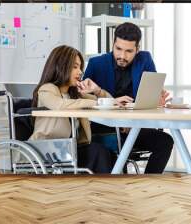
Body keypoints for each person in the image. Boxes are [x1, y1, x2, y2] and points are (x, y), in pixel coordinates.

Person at [79, 22, 174, 174]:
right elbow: (83, 101)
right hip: (106, 129)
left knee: (165, 141)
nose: (122, 56)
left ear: (137, 49)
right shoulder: (96, 64)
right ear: (113, 43)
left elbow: (150, 98)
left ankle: (148, 184)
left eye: (129, 51)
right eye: (118, 49)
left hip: (135, 127)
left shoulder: (145, 60)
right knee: (117, 157)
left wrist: (156, 101)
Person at [29, 45, 114, 174]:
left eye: (80, 67)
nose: (80, 72)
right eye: (75, 67)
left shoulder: (75, 94)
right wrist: (94, 102)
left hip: (70, 148)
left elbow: (109, 103)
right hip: (49, 149)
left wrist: (97, 90)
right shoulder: (47, 89)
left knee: (107, 153)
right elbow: (60, 105)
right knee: (99, 152)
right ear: (60, 66)